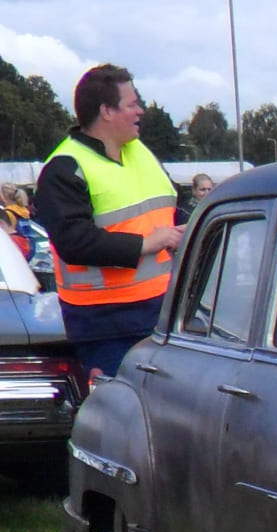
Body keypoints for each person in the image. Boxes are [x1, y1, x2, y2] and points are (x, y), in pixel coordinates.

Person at [32, 64, 183, 381]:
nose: (140, 111)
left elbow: (174, 209)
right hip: (106, 328)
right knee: (121, 421)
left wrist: (189, 229)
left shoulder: (141, 153)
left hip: (164, 315)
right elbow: (74, 241)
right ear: (106, 112)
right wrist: (147, 244)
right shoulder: (64, 167)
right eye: (132, 104)